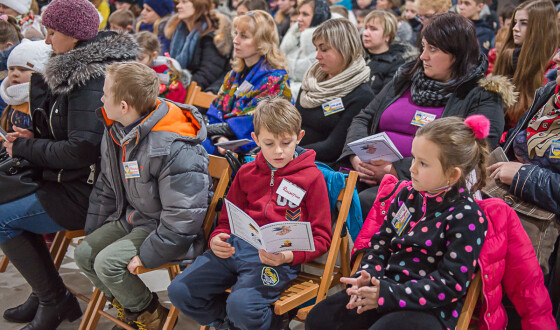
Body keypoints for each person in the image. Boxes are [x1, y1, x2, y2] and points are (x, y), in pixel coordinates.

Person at [0, 0, 138, 328]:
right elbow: (72, 133)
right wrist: (34, 135)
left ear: (74, 37)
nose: (47, 41)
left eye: (52, 33)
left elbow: (80, 150)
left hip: (94, 194)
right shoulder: (76, 68)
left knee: (2, 218)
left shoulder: (89, 78)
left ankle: (54, 299)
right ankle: (45, 291)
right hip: (76, 180)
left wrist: (28, 146)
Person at [307, 115, 490, 330]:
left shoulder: (466, 215)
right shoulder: (407, 196)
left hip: (429, 308)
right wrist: (367, 275)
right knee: (320, 318)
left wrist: (386, 295)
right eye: (413, 158)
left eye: (423, 163)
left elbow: (450, 284)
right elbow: (380, 244)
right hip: (385, 288)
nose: (411, 168)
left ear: (452, 174)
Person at [168, 97, 332, 330]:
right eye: (268, 143)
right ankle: (228, 325)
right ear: (255, 140)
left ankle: (261, 323)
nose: (278, 151)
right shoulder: (246, 173)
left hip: (276, 259)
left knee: (241, 306)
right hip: (235, 249)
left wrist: (287, 257)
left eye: (286, 143)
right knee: (180, 290)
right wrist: (217, 238)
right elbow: (227, 219)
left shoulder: (312, 178)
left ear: (299, 137)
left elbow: (322, 238)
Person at [74, 62, 211, 330]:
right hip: (135, 216)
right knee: (84, 254)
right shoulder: (117, 127)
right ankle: (135, 309)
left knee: (106, 263)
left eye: (105, 94)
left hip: (162, 227)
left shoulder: (175, 147)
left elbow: (184, 217)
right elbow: (107, 183)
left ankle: (151, 316)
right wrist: (96, 230)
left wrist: (149, 255)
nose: (101, 99)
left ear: (124, 106)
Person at [339, 13, 514, 219]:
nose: (423, 56)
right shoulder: (407, 77)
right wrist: (356, 156)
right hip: (368, 170)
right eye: (423, 47)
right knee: (327, 189)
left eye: (433, 49)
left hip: (428, 187)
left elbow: (473, 152)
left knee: (363, 202)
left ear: (457, 54)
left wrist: (396, 170)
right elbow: (364, 117)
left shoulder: (482, 95)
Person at [488, 49, 560, 275]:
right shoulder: (549, 92)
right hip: (509, 200)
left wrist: (524, 176)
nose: (555, 58)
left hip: (542, 222)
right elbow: (511, 144)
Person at [203, 10, 292, 155]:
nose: (235, 40)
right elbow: (215, 111)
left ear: (262, 41)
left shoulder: (275, 80)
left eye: (243, 36)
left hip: (251, 152)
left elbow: (251, 124)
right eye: (236, 33)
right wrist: (219, 137)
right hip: (221, 142)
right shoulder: (234, 74)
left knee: (189, 144)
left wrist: (209, 131)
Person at [297, 18, 373, 164]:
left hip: (321, 166)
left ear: (345, 49)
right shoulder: (311, 80)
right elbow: (292, 124)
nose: (317, 56)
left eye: (324, 49)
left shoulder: (362, 95)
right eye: (316, 49)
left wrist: (290, 153)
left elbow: (333, 148)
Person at [493, 0, 559, 129]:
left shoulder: (553, 67)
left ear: (541, 27)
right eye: (515, 22)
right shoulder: (508, 56)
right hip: (503, 137)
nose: (515, 28)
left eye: (524, 23)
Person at [165, 0, 233, 93]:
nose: (178, 6)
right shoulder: (179, 30)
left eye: (184, 2)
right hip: (180, 88)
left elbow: (207, 75)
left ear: (199, 5)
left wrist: (175, 86)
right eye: (179, 2)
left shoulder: (211, 34)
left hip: (200, 94)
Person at [280, 0, 331, 97]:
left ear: (318, 17)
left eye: (305, 14)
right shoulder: (294, 38)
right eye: (299, 14)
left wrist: (284, 90)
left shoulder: (327, 45)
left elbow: (318, 85)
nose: (299, 19)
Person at [362, 10, 418, 96]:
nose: (365, 33)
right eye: (366, 28)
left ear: (388, 36)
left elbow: (384, 99)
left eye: (373, 29)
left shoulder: (397, 64)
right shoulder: (357, 56)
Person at [0, 40, 51, 132]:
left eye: (23, 70)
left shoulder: (44, 102)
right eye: (11, 69)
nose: (14, 74)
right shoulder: (11, 99)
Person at [136, 31, 188, 103]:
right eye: (133, 57)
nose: (136, 62)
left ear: (154, 55)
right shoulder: (134, 70)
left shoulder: (165, 73)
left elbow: (174, 100)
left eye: (141, 58)